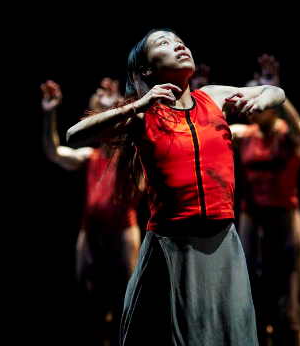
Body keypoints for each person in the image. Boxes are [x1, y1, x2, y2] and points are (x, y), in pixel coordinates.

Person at [66, 28, 286, 346]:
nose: (179, 45)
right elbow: (74, 135)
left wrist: (263, 99)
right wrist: (137, 105)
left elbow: (275, 91)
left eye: (179, 40)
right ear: (146, 69)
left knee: (229, 332)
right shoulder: (144, 115)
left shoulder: (212, 96)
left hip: (222, 241)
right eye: (164, 43)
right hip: (172, 246)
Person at [41, 78, 142, 345]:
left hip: (122, 233)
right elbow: (53, 152)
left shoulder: (130, 154)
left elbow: (136, 136)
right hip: (90, 234)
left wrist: (119, 106)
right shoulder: (90, 156)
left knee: (126, 300)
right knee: (88, 301)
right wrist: (50, 114)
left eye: (102, 112)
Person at [230, 53, 300, 346]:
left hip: (284, 219)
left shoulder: (288, 134)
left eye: (258, 102)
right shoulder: (243, 135)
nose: (253, 109)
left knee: (289, 289)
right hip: (253, 220)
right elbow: (213, 129)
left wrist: (277, 93)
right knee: (252, 290)